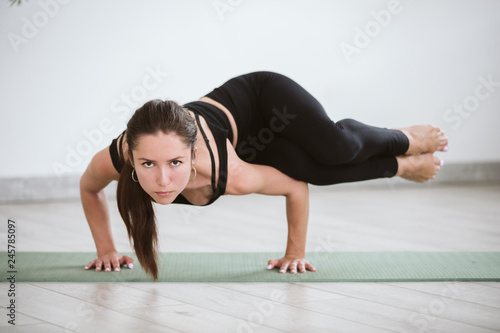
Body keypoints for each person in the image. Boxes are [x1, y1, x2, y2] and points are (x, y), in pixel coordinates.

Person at [80, 71, 448, 280]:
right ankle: (403, 166)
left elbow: (294, 190)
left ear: (192, 155)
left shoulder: (229, 173)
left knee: (335, 150)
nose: (162, 180)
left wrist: (295, 253)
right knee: (317, 171)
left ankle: (404, 138)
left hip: (264, 100)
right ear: (132, 156)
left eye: (174, 163)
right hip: (249, 142)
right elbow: (88, 188)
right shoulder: (118, 156)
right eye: (148, 164)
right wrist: (107, 249)